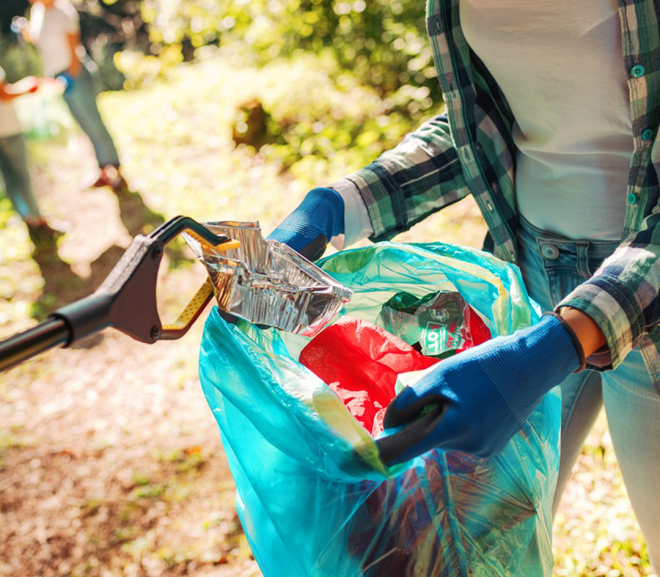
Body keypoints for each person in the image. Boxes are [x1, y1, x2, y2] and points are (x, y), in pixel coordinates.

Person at [269, 0, 660, 570]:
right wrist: (344, 203)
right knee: (476, 548)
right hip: (528, 275)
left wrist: (554, 347)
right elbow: (486, 123)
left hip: (645, 294)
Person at [24, 0, 127, 193]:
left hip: (74, 73)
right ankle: (103, 170)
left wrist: (70, 76)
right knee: (84, 125)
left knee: (94, 122)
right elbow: (43, 41)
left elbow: (74, 47)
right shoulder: (37, 11)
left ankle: (117, 171)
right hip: (57, 77)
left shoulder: (63, 10)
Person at [0, 65, 59, 241]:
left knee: (9, 180)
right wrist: (27, 88)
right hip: (8, 130)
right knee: (22, 178)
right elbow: (4, 94)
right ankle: (38, 220)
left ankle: (27, 219)